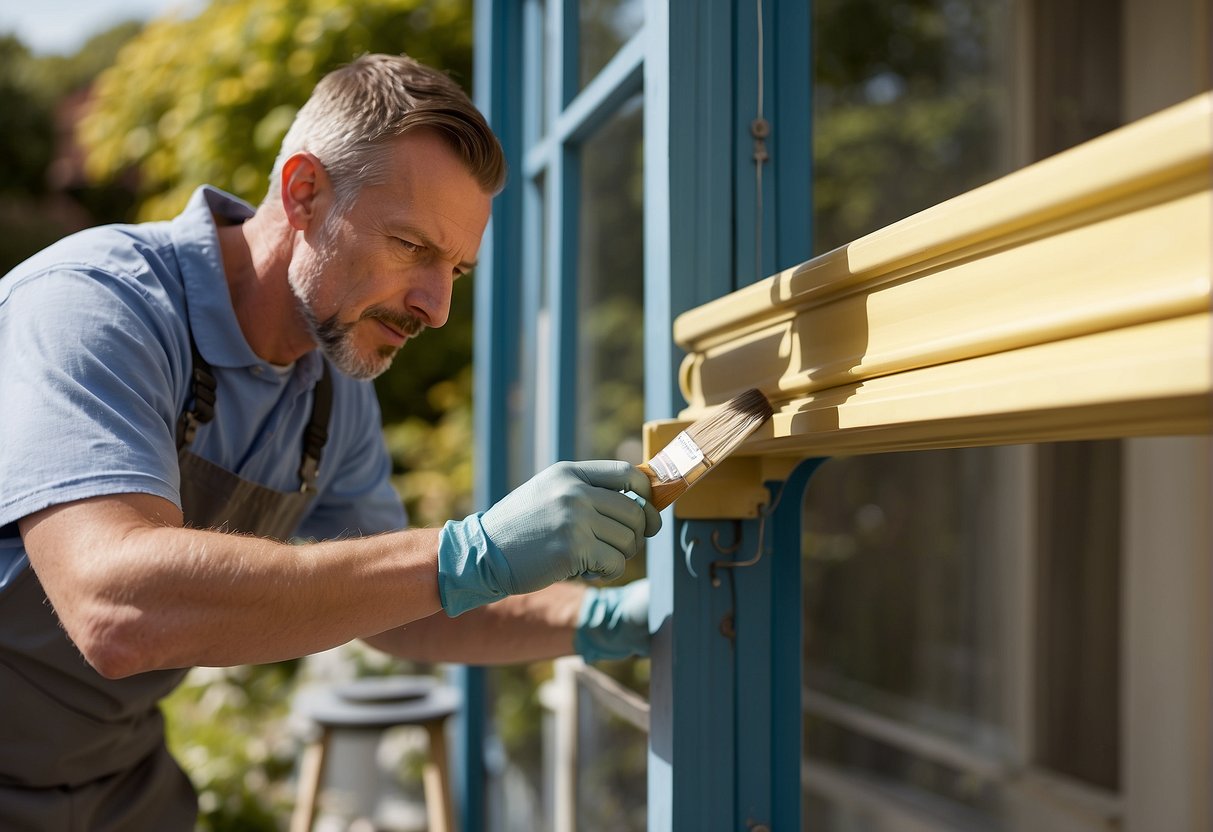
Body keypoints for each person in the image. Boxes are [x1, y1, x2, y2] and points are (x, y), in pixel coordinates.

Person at [0, 53, 658, 829]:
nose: (436, 306)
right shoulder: (97, 306)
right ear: (303, 192)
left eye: (457, 268)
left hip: (116, 781)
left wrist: (601, 620)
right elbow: (117, 607)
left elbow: (404, 608)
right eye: (413, 246)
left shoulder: (332, 389)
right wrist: (463, 551)